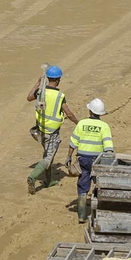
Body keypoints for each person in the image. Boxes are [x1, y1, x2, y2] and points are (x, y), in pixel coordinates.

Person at [26, 65, 77, 195]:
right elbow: (69, 114)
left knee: (47, 153)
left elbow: (29, 97)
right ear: (58, 79)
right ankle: (33, 177)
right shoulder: (60, 96)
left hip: (40, 130)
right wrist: (79, 122)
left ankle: (48, 181)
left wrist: (37, 83)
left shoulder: (41, 91)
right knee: (48, 157)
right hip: (52, 132)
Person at [66, 99, 115, 223]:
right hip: (98, 160)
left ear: (90, 110)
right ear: (101, 113)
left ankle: (82, 215)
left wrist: (68, 156)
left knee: (83, 184)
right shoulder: (104, 126)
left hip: (83, 159)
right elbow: (108, 147)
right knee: (99, 184)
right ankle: (99, 212)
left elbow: (73, 143)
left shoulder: (81, 123)